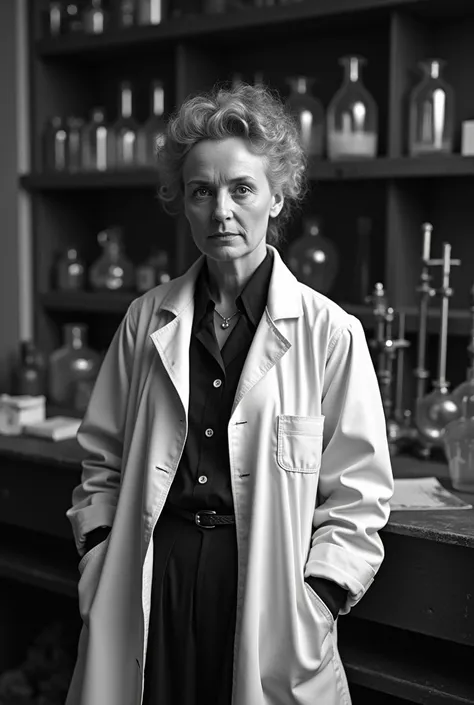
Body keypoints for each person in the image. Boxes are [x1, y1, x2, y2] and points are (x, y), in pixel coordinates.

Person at [65, 82, 394, 705]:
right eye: (201, 191)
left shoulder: (329, 332)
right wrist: (99, 558)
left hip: (265, 594)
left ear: (277, 198)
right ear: (182, 203)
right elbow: (101, 463)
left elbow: (359, 496)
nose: (221, 210)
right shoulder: (145, 321)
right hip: (152, 577)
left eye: (241, 189)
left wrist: (315, 602)